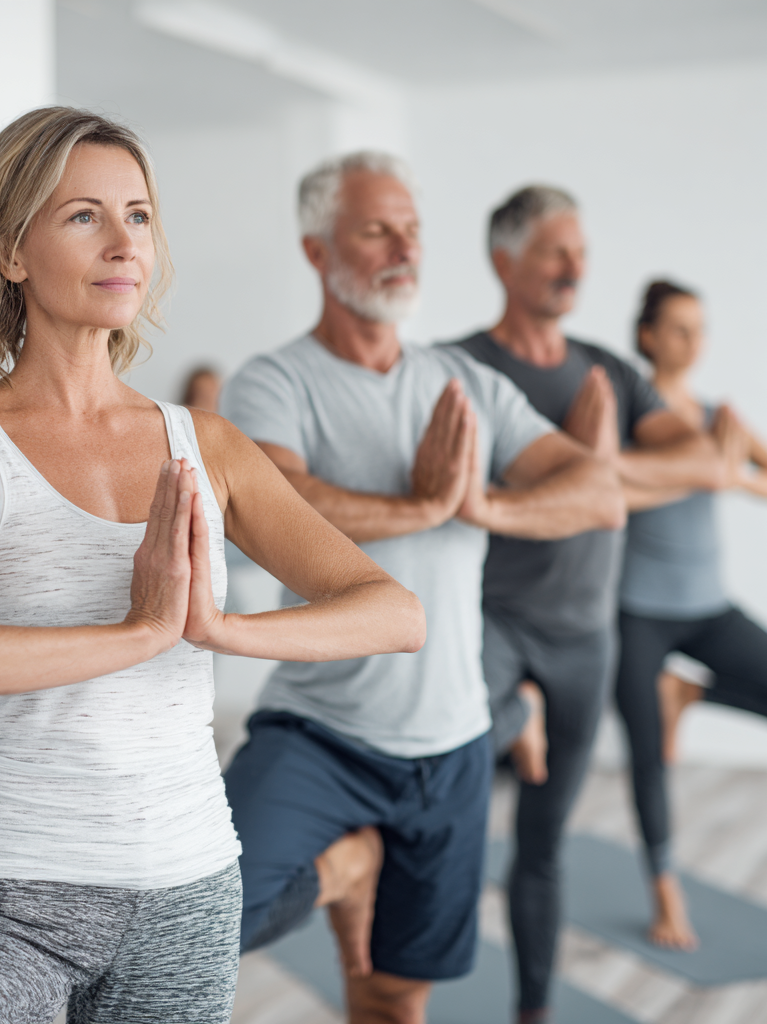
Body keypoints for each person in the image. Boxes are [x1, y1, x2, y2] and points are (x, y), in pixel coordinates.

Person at [0, 108, 424, 1024]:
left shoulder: (203, 443)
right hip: (8, 886)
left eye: (139, 215)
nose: (123, 242)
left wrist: (214, 630)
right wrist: (136, 633)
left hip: (188, 885)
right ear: (12, 250)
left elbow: (393, 611)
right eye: (84, 215)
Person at [221, 153, 625, 1024]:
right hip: (324, 731)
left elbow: (597, 490)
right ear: (317, 250)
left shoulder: (465, 382)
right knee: (211, 913)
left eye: (412, 229)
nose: (404, 246)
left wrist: (476, 504)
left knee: (398, 994)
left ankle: (503, 726)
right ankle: (348, 862)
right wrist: (422, 505)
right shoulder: (276, 380)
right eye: (376, 229)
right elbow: (277, 505)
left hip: (451, 749)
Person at [446, 187, 732, 1023]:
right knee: (448, 774)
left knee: (543, 848)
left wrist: (586, 467)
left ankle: (534, 1011)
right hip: (495, 624)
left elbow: (703, 460)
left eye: (579, 251)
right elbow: (450, 487)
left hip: (584, 639)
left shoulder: (606, 368)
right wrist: (597, 463)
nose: (575, 266)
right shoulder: (459, 366)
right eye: (553, 251)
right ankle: (513, 719)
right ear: (506, 261)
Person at [616, 280, 767, 950]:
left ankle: (693, 690)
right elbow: (609, 493)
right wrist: (709, 470)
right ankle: (665, 896)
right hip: (640, 612)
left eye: (699, 329)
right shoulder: (629, 417)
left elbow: (755, 477)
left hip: (709, 607)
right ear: (647, 335)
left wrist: (732, 471)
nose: (691, 342)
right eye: (677, 329)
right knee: (648, 758)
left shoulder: (715, 419)